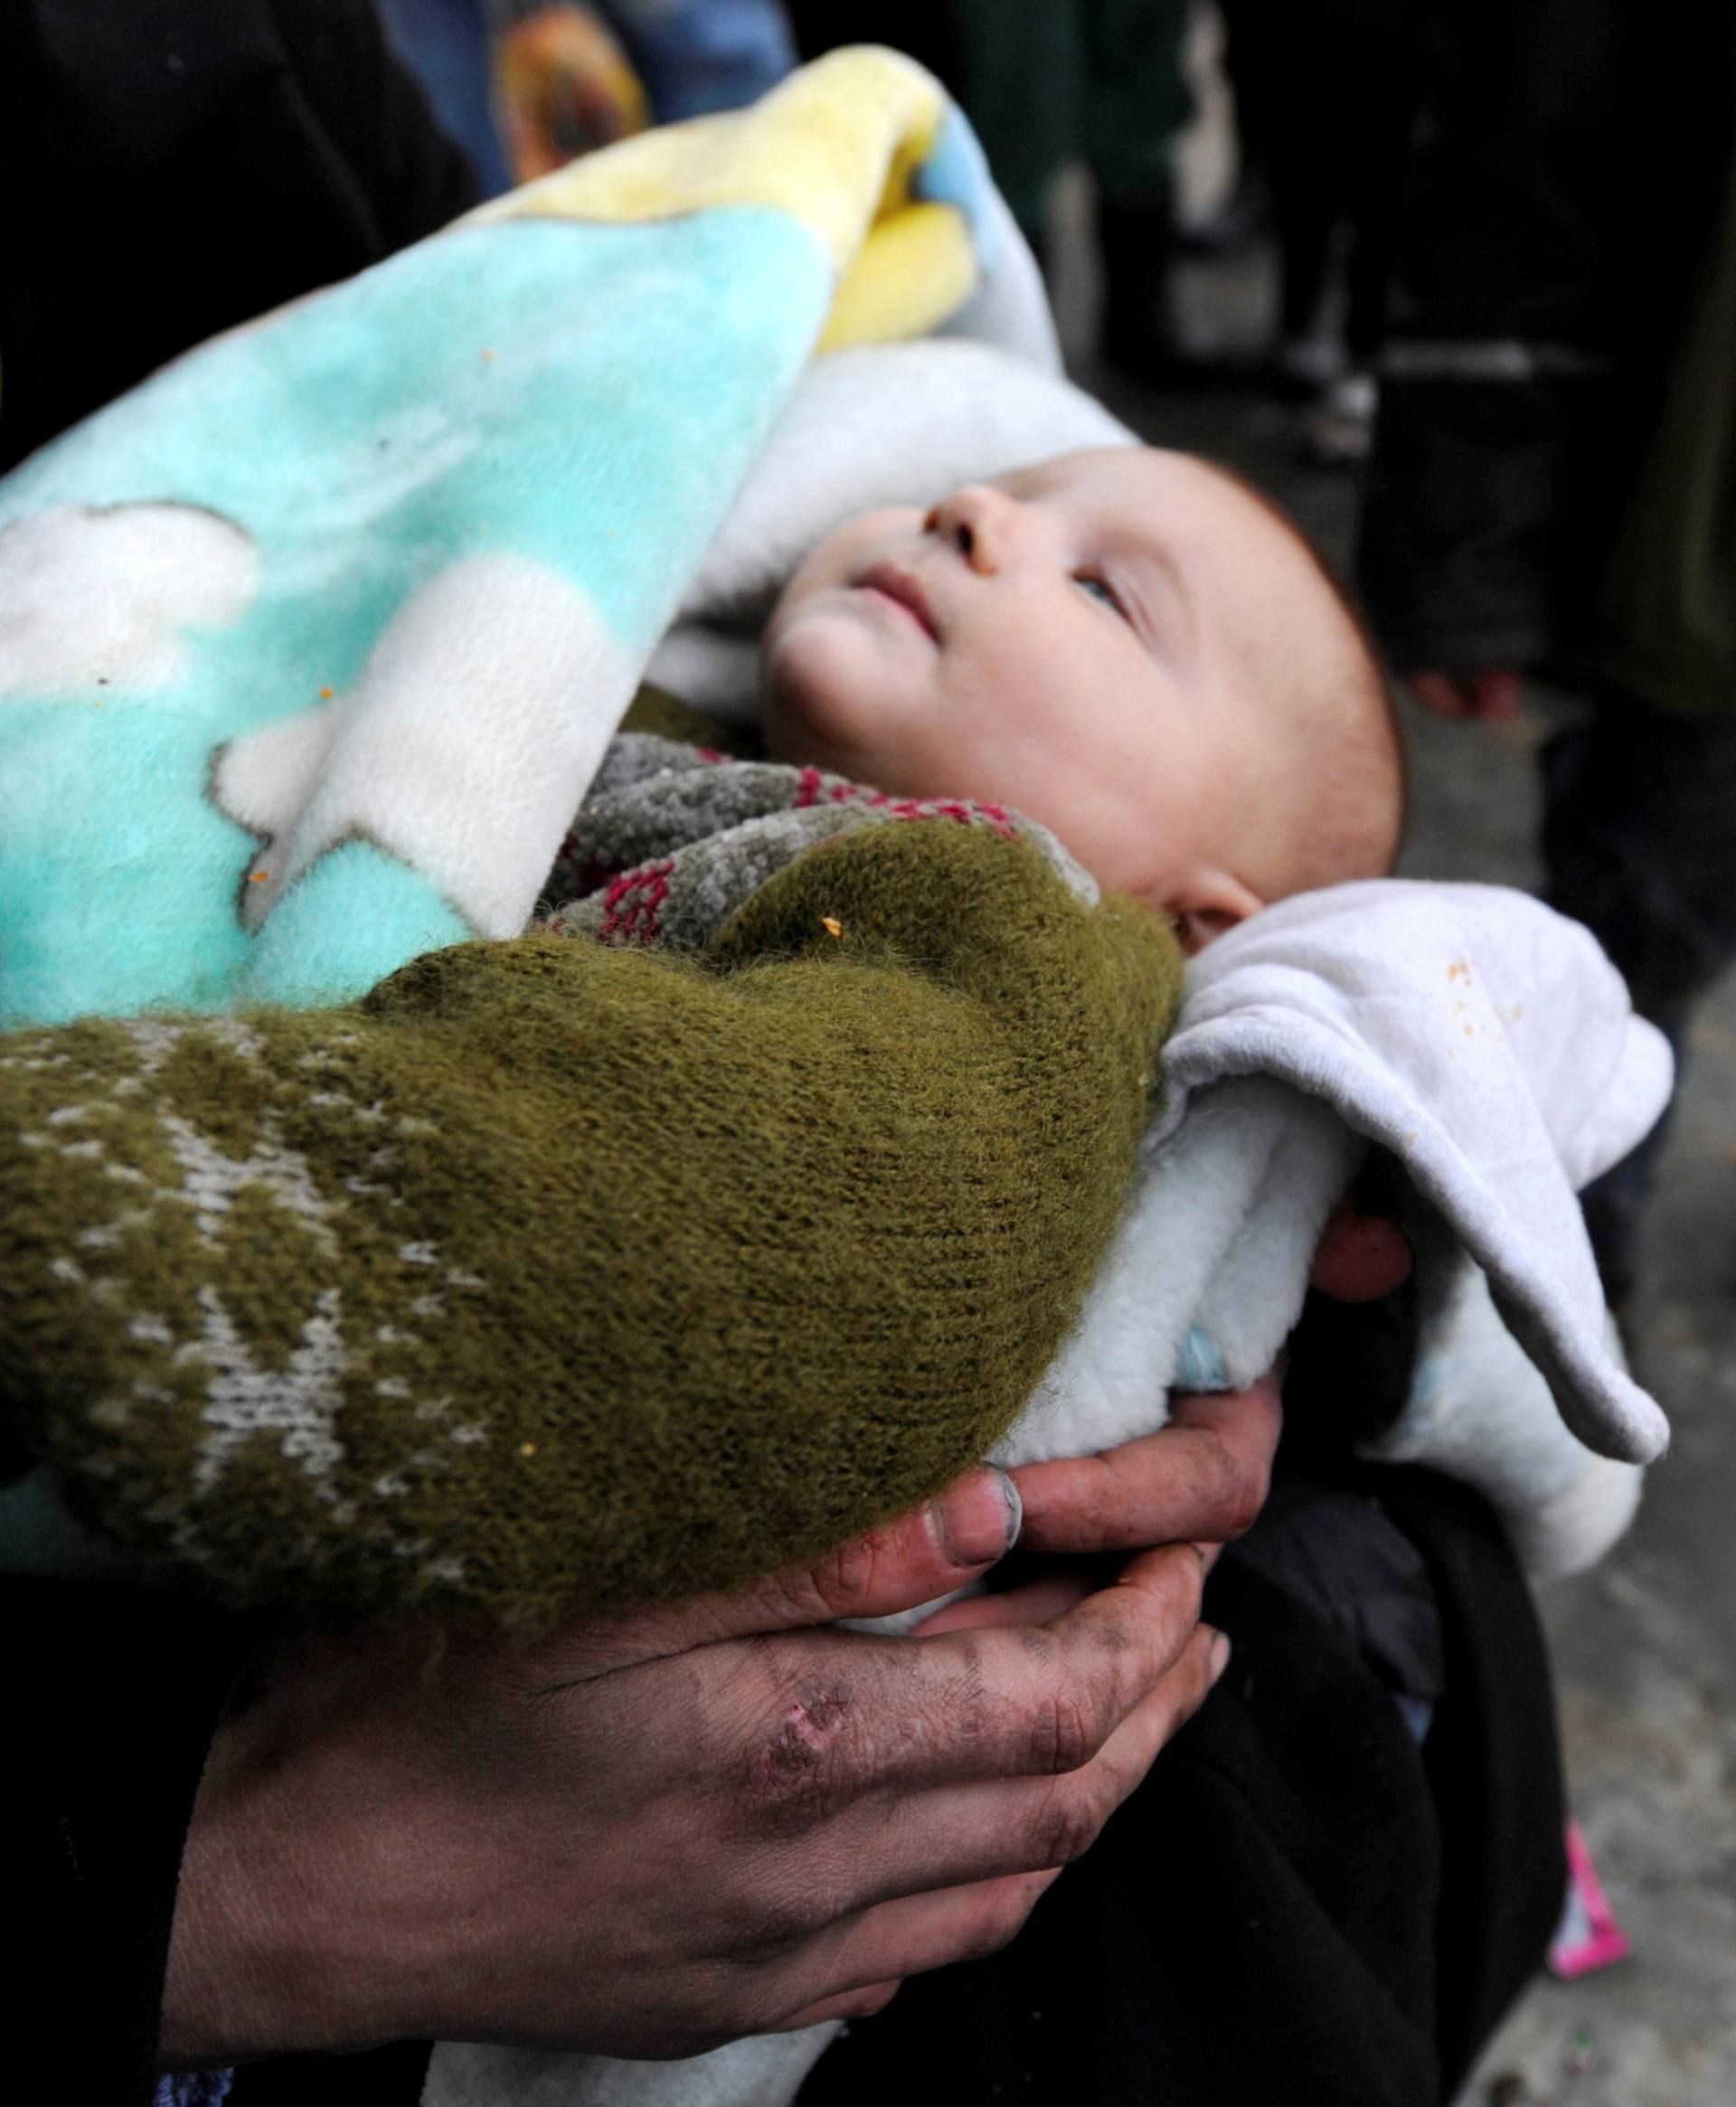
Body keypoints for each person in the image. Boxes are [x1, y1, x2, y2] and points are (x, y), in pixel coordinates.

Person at [1356, 0, 1736, 1293]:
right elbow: (1523, 154)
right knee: (1631, 956)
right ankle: (1552, 1306)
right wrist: (1466, 555)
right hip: (1694, 597)